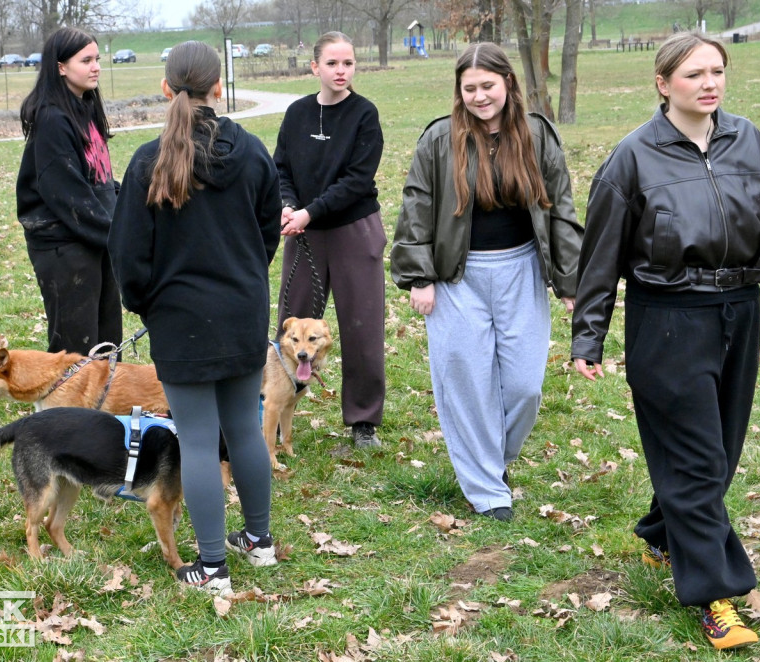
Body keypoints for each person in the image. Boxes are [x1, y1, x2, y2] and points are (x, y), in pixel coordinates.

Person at [570, 32, 760, 650]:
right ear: (663, 83)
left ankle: (660, 532)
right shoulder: (633, 158)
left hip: (738, 313)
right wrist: (588, 338)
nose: (709, 83)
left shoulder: (748, 142)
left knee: (715, 455)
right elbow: (600, 258)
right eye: (695, 73)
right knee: (698, 463)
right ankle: (715, 594)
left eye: (717, 71)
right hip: (666, 320)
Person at [108, 41, 282, 595]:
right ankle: (259, 541)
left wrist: (148, 303)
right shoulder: (253, 152)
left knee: (200, 442)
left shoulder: (146, 162)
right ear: (218, 89)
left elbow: (127, 257)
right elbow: (265, 235)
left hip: (182, 320)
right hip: (242, 313)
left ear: (165, 89)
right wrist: (244, 282)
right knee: (244, 431)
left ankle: (212, 566)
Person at [391, 43, 583, 522]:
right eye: (470, 88)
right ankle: (487, 490)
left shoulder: (537, 135)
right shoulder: (440, 139)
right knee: (468, 384)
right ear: (459, 91)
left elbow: (561, 209)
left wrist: (572, 282)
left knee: (524, 386)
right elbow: (416, 205)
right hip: (458, 276)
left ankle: (492, 458)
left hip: (521, 272)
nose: (480, 97)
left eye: (488, 86)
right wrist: (419, 276)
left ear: (508, 84)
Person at [272, 31, 387, 448]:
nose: (342, 71)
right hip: (303, 233)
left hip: (354, 228)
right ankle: (277, 409)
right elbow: (280, 166)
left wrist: (309, 210)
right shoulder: (298, 113)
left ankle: (363, 422)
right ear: (315, 67)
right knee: (292, 323)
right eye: (334, 63)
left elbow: (357, 180)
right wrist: (286, 203)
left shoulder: (364, 114)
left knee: (361, 327)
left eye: (349, 63)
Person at [16, 26, 122, 355]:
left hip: (96, 241)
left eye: (97, 59)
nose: (96, 67)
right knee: (73, 352)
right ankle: (66, 408)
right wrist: (119, 232)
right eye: (86, 60)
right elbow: (68, 195)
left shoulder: (84, 109)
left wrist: (130, 203)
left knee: (106, 342)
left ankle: (102, 406)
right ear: (60, 67)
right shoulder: (52, 119)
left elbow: (99, 182)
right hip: (65, 248)